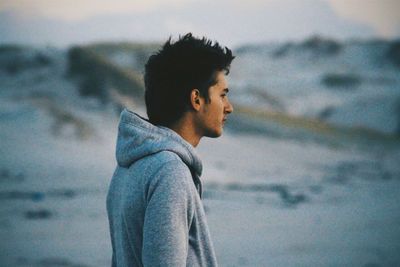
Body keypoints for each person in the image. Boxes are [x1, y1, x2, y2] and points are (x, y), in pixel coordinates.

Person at [106, 33, 234, 267]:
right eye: (223, 95)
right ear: (196, 99)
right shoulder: (169, 173)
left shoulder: (129, 166)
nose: (229, 107)